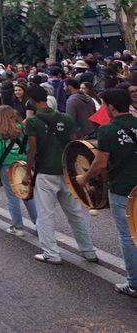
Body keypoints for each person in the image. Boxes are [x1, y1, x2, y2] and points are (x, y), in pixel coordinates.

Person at [23, 84, 97, 264]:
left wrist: (27, 173)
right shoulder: (65, 117)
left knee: (45, 214)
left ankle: (51, 253)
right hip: (67, 173)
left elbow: (32, 149)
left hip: (45, 173)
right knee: (75, 213)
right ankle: (88, 250)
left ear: (32, 100)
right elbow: (75, 142)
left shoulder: (32, 122)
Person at [76, 88, 137, 297]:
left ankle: (134, 283)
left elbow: (100, 164)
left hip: (123, 191)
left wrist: (84, 177)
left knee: (128, 236)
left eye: (104, 106)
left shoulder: (108, 130)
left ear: (110, 107)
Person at [0, 106, 36, 236]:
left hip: (7, 167)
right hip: (23, 165)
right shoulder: (22, 129)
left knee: (12, 197)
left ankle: (18, 227)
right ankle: (39, 225)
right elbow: (30, 147)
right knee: (28, 195)